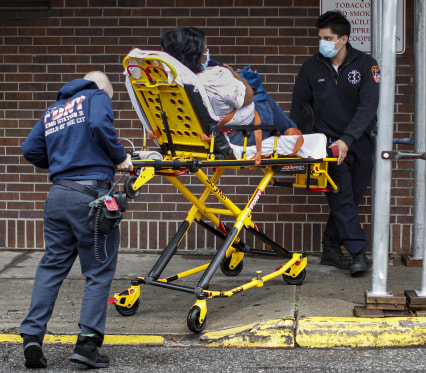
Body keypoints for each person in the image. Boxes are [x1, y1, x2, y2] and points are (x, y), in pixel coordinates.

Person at [19, 71, 134, 369]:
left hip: (58, 196)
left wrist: (63, 161)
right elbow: (97, 123)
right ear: (103, 90)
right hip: (90, 198)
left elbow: (29, 149)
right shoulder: (96, 96)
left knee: (52, 265)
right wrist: (120, 156)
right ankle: (87, 344)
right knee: (98, 270)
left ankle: (32, 335)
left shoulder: (55, 109)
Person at [290, 11, 380, 276]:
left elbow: (367, 107)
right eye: (320, 38)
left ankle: (330, 247)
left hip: (359, 141)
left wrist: (348, 140)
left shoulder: (366, 65)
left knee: (351, 198)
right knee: (341, 197)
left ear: (344, 39)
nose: (322, 43)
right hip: (326, 144)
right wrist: (300, 138)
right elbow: (299, 107)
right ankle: (357, 252)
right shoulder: (310, 68)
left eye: (328, 38)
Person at [160, 26, 301, 151]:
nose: (208, 52)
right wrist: (232, 73)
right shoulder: (216, 77)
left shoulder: (169, 81)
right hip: (236, 137)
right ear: (196, 53)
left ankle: (290, 132)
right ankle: (294, 136)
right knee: (263, 100)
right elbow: (249, 95)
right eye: (206, 49)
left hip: (192, 138)